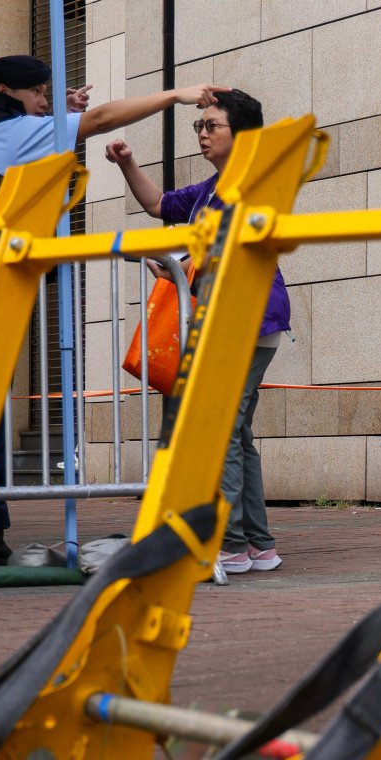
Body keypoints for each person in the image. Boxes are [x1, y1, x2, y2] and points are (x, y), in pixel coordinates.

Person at [0, 56, 222, 564]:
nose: (46, 104)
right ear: (9, 90)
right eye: (41, 94)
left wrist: (52, 114)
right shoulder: (14, 130)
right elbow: (99, 121)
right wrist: (174, 96)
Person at [104, 88, 289, 574]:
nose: (202, 134)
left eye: (212, 126)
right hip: (232, 320)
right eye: (198, 126)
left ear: (242, 135)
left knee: (223, 429)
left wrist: (178, 266)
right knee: (236, 431)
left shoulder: (254, 184)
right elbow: (159, 205)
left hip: (246, 320)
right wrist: (127, 165)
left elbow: (233, 250)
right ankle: (255, 545)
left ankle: (227, 543)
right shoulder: (210, 188)